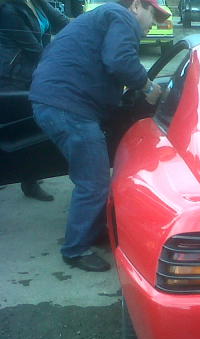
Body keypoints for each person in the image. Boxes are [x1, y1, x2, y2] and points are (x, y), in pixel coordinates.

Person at [29, 0, 167, 272]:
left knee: (91, 177)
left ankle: (92, 230)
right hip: (69, 107)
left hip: (55, 100)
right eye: (154, 15)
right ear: (137, 6)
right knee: (94, 182)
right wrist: (148, 86)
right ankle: (75, 249)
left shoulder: (102, 17)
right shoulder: (120, 16)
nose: (154, 26)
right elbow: (119, 60)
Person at [0, 0, 69, 201]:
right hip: (11, 78)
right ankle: (26, 180)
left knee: (31, 131)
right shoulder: (8, 9)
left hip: (31, 75)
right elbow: (35, 50)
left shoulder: (37, 3)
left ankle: (29, 182)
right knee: (17, 131)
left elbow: (64, 23)